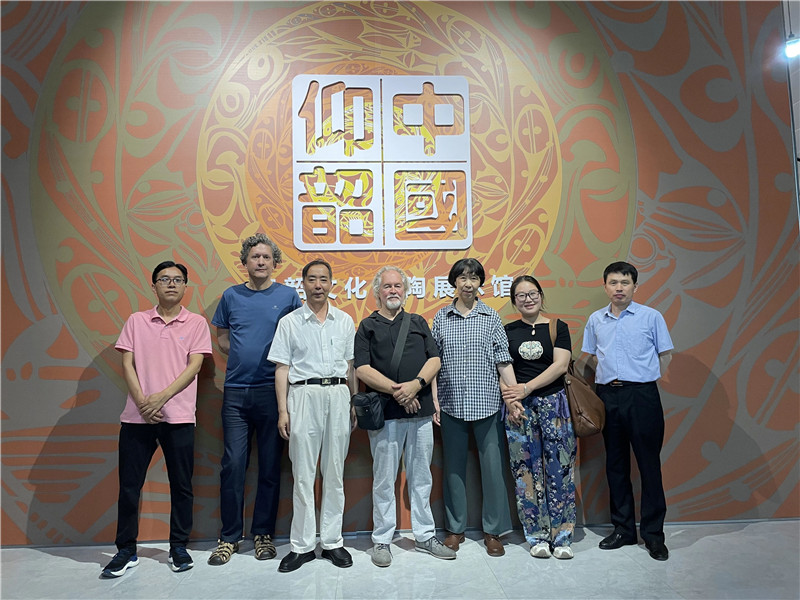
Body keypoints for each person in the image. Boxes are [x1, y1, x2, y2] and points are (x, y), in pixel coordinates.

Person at [102, 261, 212, 578]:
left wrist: (160, 398)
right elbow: (127, 364)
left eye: (177, 279)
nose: (171, 284)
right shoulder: (136, 321)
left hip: (179, 417)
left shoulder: (196, 323)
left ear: (185, 286)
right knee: (129, 487)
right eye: (164, 279)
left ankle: (178, 547)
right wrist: (143, 403)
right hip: (137, 419)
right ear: (154, 286)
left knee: (181, 486)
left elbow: (194, 367)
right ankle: (126, 550)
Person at [208, 234, 302, 565]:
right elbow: (222, 337)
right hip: (235, 392)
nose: (260, 262)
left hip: (273, 392)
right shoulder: (231, 296)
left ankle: (263, 534)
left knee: (270, 466)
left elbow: (298, 338)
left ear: (275, 263)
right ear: (244, 262)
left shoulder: (288, 296)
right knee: (233, 465)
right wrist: (243, 355)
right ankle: (229, 537)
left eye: (266, 257)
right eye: (254, 257)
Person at [354, 266, 456, 567]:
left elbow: (434, 359)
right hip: (384, 414)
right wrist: (398, 391)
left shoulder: (418, 322)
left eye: (398, 285)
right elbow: (362, 369)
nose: (393, 290)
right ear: (377, 291)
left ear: (405, 290)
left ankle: (425, 535)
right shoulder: (367, 326)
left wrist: (416, 386)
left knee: (421, 477)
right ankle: (382, 540)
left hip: (420, 412)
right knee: (384, 479)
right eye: (387, 286)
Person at [581, 261, 673, 561]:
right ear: (605, 286)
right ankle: (623, 529)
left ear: (635, 286)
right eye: (613, 283)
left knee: (649, 465)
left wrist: (643, 377)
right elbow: (590, 356)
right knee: (616, 464)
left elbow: (665, 355)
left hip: (642, 395)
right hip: (608, 396)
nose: (619, 288)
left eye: (625, 282)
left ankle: (654, 535)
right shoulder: (596, 319)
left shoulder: (651, 316)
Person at [268, 259, 357, 573]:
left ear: (331, 283)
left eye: (323, 279)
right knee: (303, 474)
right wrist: (283, 410)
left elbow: (350, 367)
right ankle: (302, 546)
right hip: (303, 396)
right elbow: (282, 369)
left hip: (338, 395)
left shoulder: (344, 320)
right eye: (312, 279)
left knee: (334, 471)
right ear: (302, 284)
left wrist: (353, 403)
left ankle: (332, 542)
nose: (318, 285)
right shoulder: (289, 322)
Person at [431, 258, 516, 557]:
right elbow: (434, 362)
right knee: (453, 469)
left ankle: (493, 531)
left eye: (474, 278)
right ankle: (455, 530)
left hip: (488, 403)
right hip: (451, 404)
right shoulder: (441, 317)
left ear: (481, 282)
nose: (468, 283)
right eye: (463, 278)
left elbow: (503, 360)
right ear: (454, 282)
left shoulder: (491, 316)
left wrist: (514, 397)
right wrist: (435, 401)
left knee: (492, 470)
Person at [500, 275, 577, 559]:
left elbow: (561, 365)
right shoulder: (507, 331)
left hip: (554, 405)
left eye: (532, 293)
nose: (528, 299)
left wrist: (528, 387)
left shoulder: (558, 327)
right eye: (521, 295)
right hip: (519, 409)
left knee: (560, 469)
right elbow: (502, 369)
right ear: (514, 301)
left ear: (541, 296)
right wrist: (512, 400)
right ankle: (537, 537)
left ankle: (563, 537)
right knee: (525, 472)